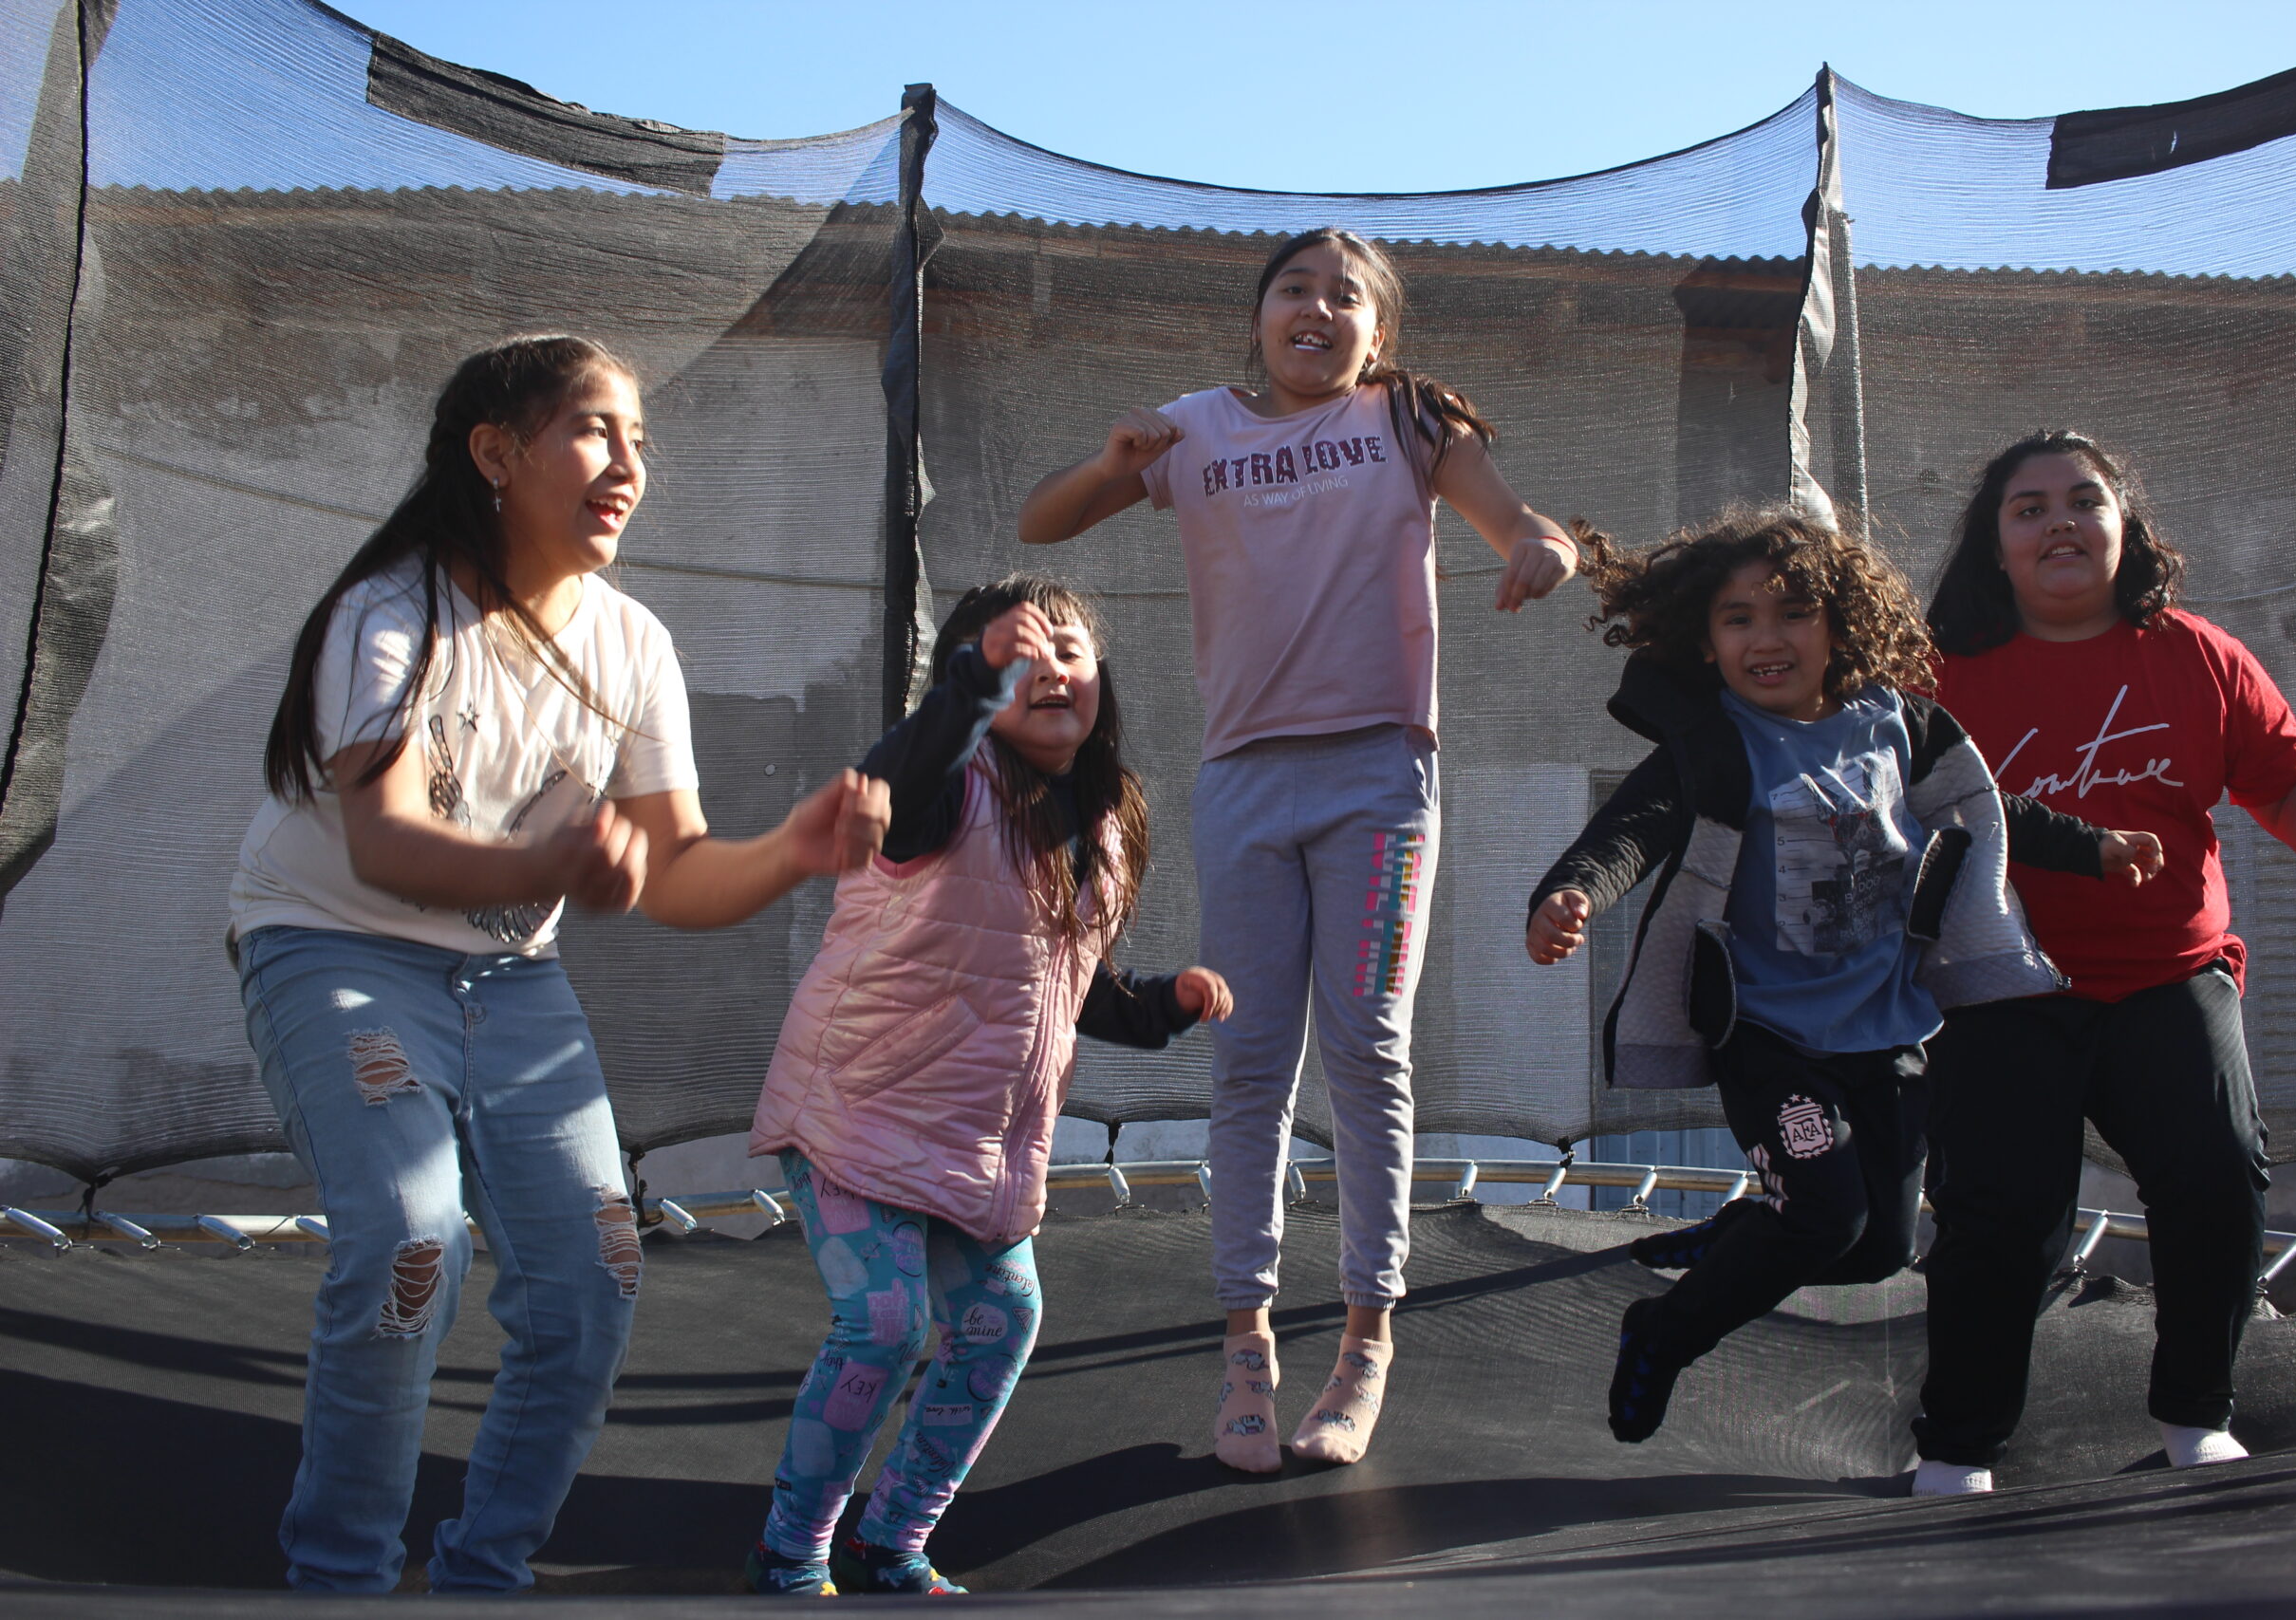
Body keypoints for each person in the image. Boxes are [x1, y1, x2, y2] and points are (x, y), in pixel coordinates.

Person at [229, 335, 890, 1594]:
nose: (629, 463)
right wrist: (555, 869)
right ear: (497, 450)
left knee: (597, 1267)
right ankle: (341, 1578)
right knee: (414, 1236)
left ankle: (486, 1570)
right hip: (334, 948)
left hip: (506, 977)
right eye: (595, 429)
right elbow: (386, 844)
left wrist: (792, 850)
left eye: (641, 438)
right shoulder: (393, 612)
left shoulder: (633, 643)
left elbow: (679, 870)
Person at [1017, 226, 1577, 1471]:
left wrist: (1540, 550)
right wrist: (1109, 463)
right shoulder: (1195, 429)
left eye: (1347, 295)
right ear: (1260, 315)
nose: (1317, 307)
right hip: (1245, 780)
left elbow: (1520, 522)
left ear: (1379, 329)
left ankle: (1368, 1336)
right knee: (1251, 1055)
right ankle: (1246, 1340)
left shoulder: (1410, 418)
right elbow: (1043, 519)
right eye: (1295, 289)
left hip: (1380, 775)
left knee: (1367, 1043)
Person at [1522, 509, 2159, 1446]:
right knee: (1824, 1217)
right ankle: (1663, 1329)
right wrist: (1570, 892)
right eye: (1737, 620)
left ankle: (1745, 1236)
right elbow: (1633, 826)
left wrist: (2093, 848)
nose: (1765, 639)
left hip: (1887, 1029)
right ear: (1703, 640)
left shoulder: (1898, 726)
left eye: (1792, 613)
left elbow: (1987, 807)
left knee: (1879, 1250)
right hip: (1769, 1036)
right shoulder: (1719, 748)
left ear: (1841, 626)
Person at [745, 577, 1233, 1595]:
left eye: (1069, 648)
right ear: (968, 683)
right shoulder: (942, 788)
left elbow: (1068, 980)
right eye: (1019, 654)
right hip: (855, 1112)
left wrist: (1159, 1008)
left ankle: (894, 1541)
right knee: (883, 1323)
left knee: (1000, 1322)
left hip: (973, 1142)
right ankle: (791, 1549)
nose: (1050, 666)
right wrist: (967, 686)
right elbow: (898, 768)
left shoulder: (1102, 822)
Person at [1908, 430, 2296, 1496]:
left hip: (2169, 972)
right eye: (2029, 508)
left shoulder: (2194, 653)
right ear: (1996, 544)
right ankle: (1959, 1445)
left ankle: (2194, 1413)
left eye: (2083, 500)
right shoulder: (1936, 671)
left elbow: (2285, 774)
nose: (2059, 521)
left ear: (2123, 526)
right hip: (2002, 985)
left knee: (2215, 1177)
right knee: (2002, 1220)